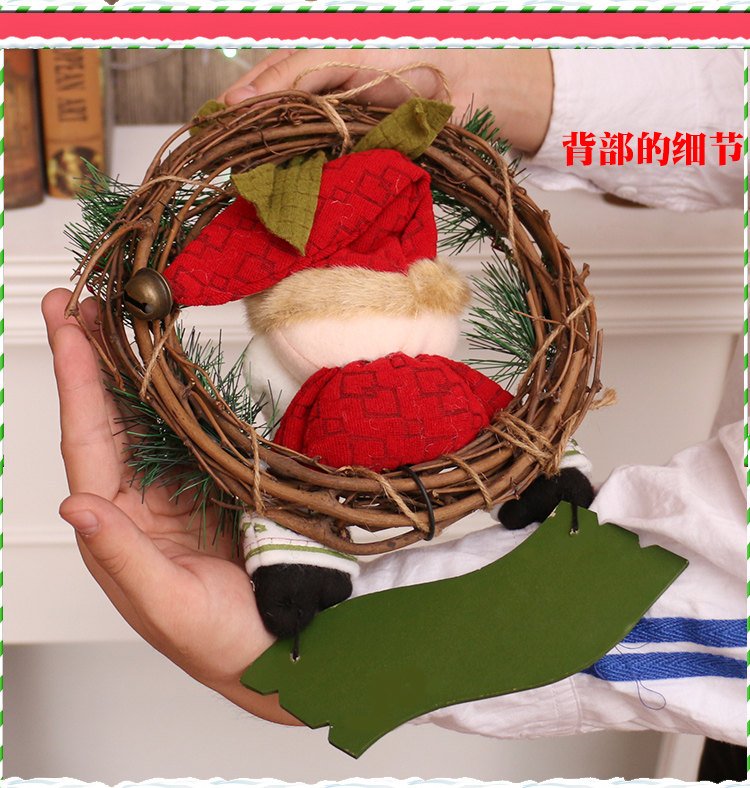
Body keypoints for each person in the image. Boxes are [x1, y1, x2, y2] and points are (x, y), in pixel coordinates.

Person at [42, 48, 745, 770]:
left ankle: (516, 482)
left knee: (343, 459)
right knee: (306, 467)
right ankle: (308, 553)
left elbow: (711, 596)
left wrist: (339, 655)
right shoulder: (343, 388)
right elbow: (721, 130)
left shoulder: (422, 375)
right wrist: (517, 86)